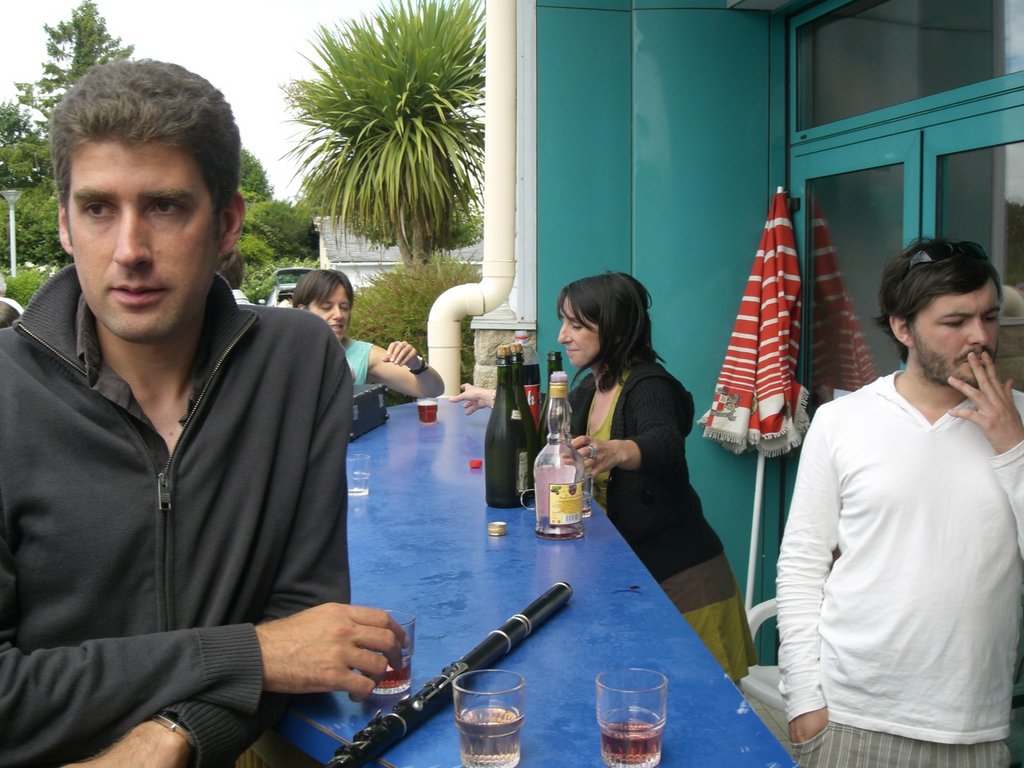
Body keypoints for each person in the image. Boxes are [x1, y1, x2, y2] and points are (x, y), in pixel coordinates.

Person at [0, 59, 406, 768]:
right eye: (98, 209)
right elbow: (280, 650)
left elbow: (306, 633)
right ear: (64, 224)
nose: (129, 250)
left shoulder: (296, 363)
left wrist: (175, 735)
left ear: (226, 224)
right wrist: (247, 653)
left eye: (164, 206)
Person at [776, 238, 1024, 768]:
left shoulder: (1019, 423)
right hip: (851, 719)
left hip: (975, 727)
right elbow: (802, 563)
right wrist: (804, 698)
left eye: (989, 317)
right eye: (955, 321)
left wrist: (1012, 446)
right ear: (903, 328)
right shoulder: (841, 421)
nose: (980, 337)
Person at [452, 272, 756, 681]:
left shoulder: (650, 385)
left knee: (705, 696)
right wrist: (492, 396)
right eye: (564, 322)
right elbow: (549, 416)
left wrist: (616, 450)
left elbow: (665, 444)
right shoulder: (591, 386)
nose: (563, 336)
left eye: (576, 325)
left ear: (616, 329)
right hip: (640, 579)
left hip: (685, 582)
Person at [292, 268, 445, 398]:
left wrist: (416, 364)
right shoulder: (284, 350)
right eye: (326, 307)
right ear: (302, 311)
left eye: (344, 307)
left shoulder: (363, 355)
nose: (338, 315)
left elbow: (433, 391)